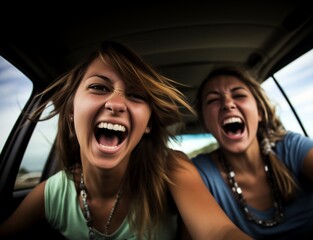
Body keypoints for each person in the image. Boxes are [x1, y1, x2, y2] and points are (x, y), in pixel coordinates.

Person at [0, 42, 253, 240]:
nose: (117, 103)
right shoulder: (51, 195)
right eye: (99, 87)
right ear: (71, 112)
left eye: (134, 94)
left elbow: (217, 232)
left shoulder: (171, 168)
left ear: (148, 124)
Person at [191, 65, 313, 239]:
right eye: (213, 100)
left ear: (259, 113)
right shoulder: (198, 173)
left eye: (239, 95)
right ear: (205, 123)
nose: (227, 104)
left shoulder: (293, 147)